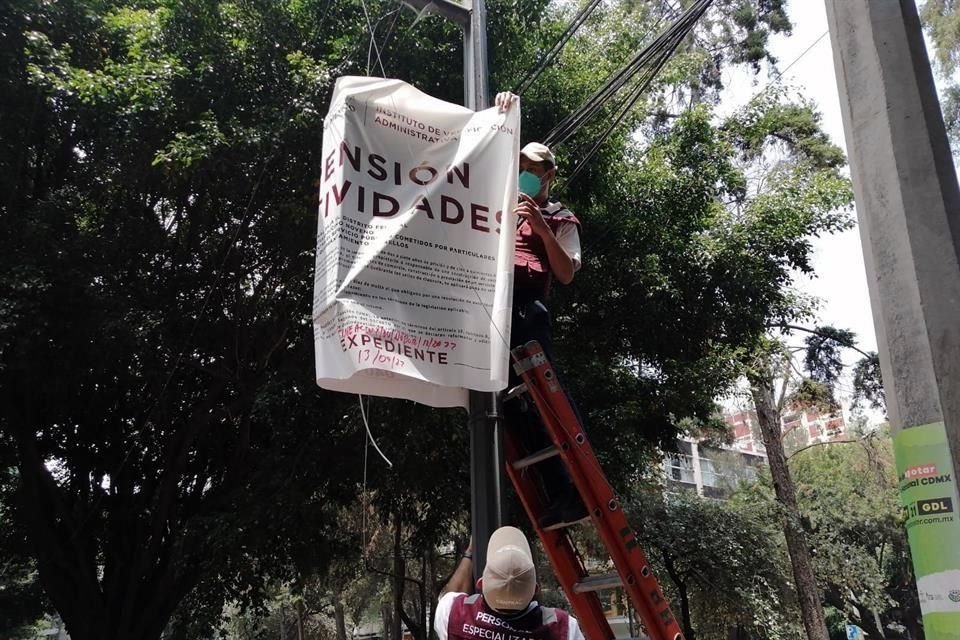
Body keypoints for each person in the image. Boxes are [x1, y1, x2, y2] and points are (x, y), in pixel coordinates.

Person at [494, 93, 588, 530]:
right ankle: (556, 490)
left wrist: (539, 224)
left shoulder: (559, 215)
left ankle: (575, 487)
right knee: (512, 406)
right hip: (496, 307)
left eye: (532, 170)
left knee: (542, 399)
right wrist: (504, 110)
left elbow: (567, 272)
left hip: (529, 309)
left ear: (548, 174)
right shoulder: (501, 206)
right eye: (521, 169)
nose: (524, 175)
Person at [434, 526, 585, 640]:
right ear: (535, 589)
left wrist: (470, 553)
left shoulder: (454, 615)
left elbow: (449, 595)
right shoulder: (564, 629)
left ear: (481, 583)